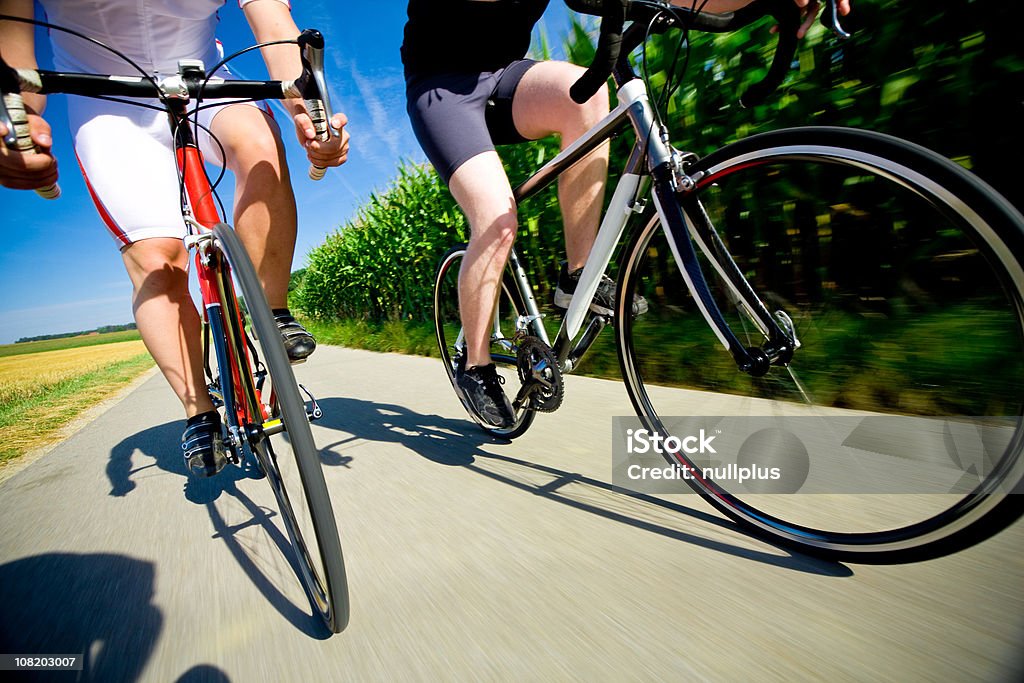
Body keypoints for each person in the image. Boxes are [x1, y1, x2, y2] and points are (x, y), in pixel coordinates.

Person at [402, 0, 850, 429]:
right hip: (440, 87)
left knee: (588, 96)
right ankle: (475, 364)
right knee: (497, 220)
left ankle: (578, 275)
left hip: (502, 77)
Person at [0, 0, 350, 476]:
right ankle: (198, 410)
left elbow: (273, 21)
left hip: (204, 78)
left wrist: (308, 112)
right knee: (156, 257)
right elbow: (14, 48)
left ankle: (271, 316)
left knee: (261, 151)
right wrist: (19, 121)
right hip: (105, 102)